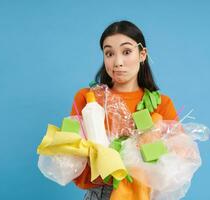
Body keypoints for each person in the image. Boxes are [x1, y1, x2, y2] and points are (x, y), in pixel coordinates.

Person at [70, 20, 179, 200]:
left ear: (142, 54)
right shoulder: (87, 99)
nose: (118, 62)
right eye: (109, 53)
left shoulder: (161, 104)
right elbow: (76, 166)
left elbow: (173, 167)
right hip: (102, 194)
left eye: (126, 52)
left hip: (146, 194)